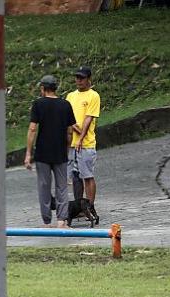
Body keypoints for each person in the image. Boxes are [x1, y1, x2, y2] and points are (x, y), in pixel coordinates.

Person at [24, 75, 77, 228]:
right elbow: (70, 132)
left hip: (42, 153)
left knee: (44, 186)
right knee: (62, 187)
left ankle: (47, 220)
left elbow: (33, 128)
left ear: (43, 88)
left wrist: (28, 153)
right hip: (60, 152)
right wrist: (67, 148)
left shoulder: (38, 104)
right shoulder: (65, 105)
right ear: (55, 88)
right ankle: (62, 220)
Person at [66, 66, 101, 224]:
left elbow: (88, 119)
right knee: (75, 177)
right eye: (77, 77)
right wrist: (73, 130)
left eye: (82, 78)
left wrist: (80, 137)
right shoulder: (70, 96)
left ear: (88, 79)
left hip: (86, 144)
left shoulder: (93, 96)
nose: (78, 80)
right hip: (72, 143)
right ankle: (79, 207)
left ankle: (90, 206)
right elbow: (67, 117)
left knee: (87, 176)